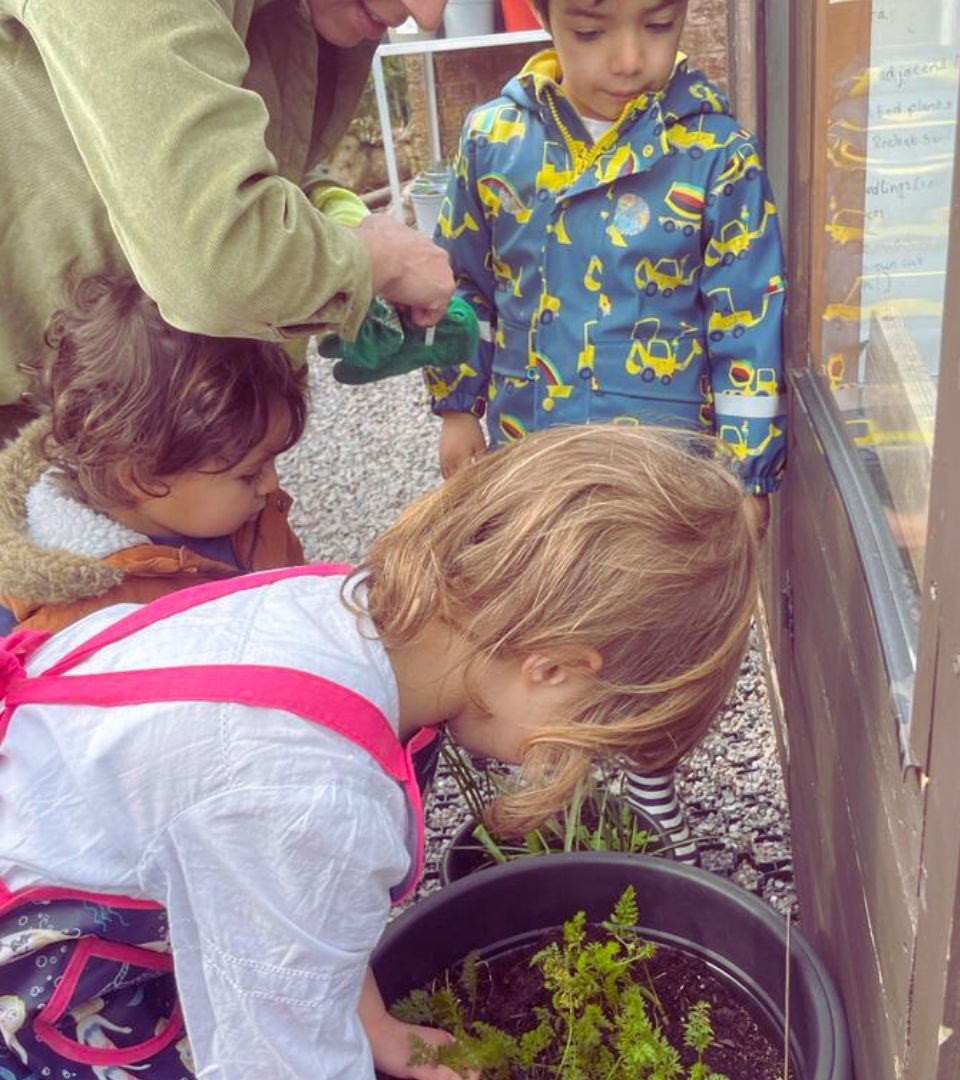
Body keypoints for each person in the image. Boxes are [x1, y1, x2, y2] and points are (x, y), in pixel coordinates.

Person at [0, 424, 758, 1079]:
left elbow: (299, 918)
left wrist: (375, 1026)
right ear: (553, 667)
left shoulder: (350, 616)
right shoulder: (311, 797)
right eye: (590, 733)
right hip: (39, 973)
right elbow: (278, 1058)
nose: (569, 764)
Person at [424, 0, 785, 860]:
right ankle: (551, 780)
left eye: (657, 25)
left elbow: (747, 320)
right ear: (545, 17)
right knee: (535, 615)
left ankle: (650, 789)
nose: (628, 58)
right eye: (590, 29)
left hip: (659, 466)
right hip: (529, 450)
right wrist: (453, 405)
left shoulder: (714, 151)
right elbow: (460, 287)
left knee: (648, 633)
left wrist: (746, 471)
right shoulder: (493, 139)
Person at [0, 0, 453, 445]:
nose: (428, 15)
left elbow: (232, 160)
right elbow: (215, 266)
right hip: (45, 408)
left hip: (158, 397)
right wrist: (370, 262)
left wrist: (333, 217)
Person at [0, 275, 307, 635]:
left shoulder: (231, 512)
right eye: (250, 473)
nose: (273, 484)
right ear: (142, 478)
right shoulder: (66, 618)